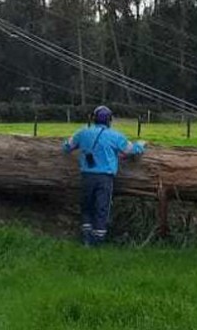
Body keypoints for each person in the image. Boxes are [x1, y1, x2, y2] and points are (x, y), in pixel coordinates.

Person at [62, 105, 146, 246]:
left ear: (93, 118)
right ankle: (98, 239)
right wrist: (141, 144)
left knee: (86, 206)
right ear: (109, 120)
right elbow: (131, 150)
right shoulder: (115, 136)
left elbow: (66, 147)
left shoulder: (82, 133)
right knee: (102, 207)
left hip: (86, 176)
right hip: (104, 178)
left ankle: (86, 237)